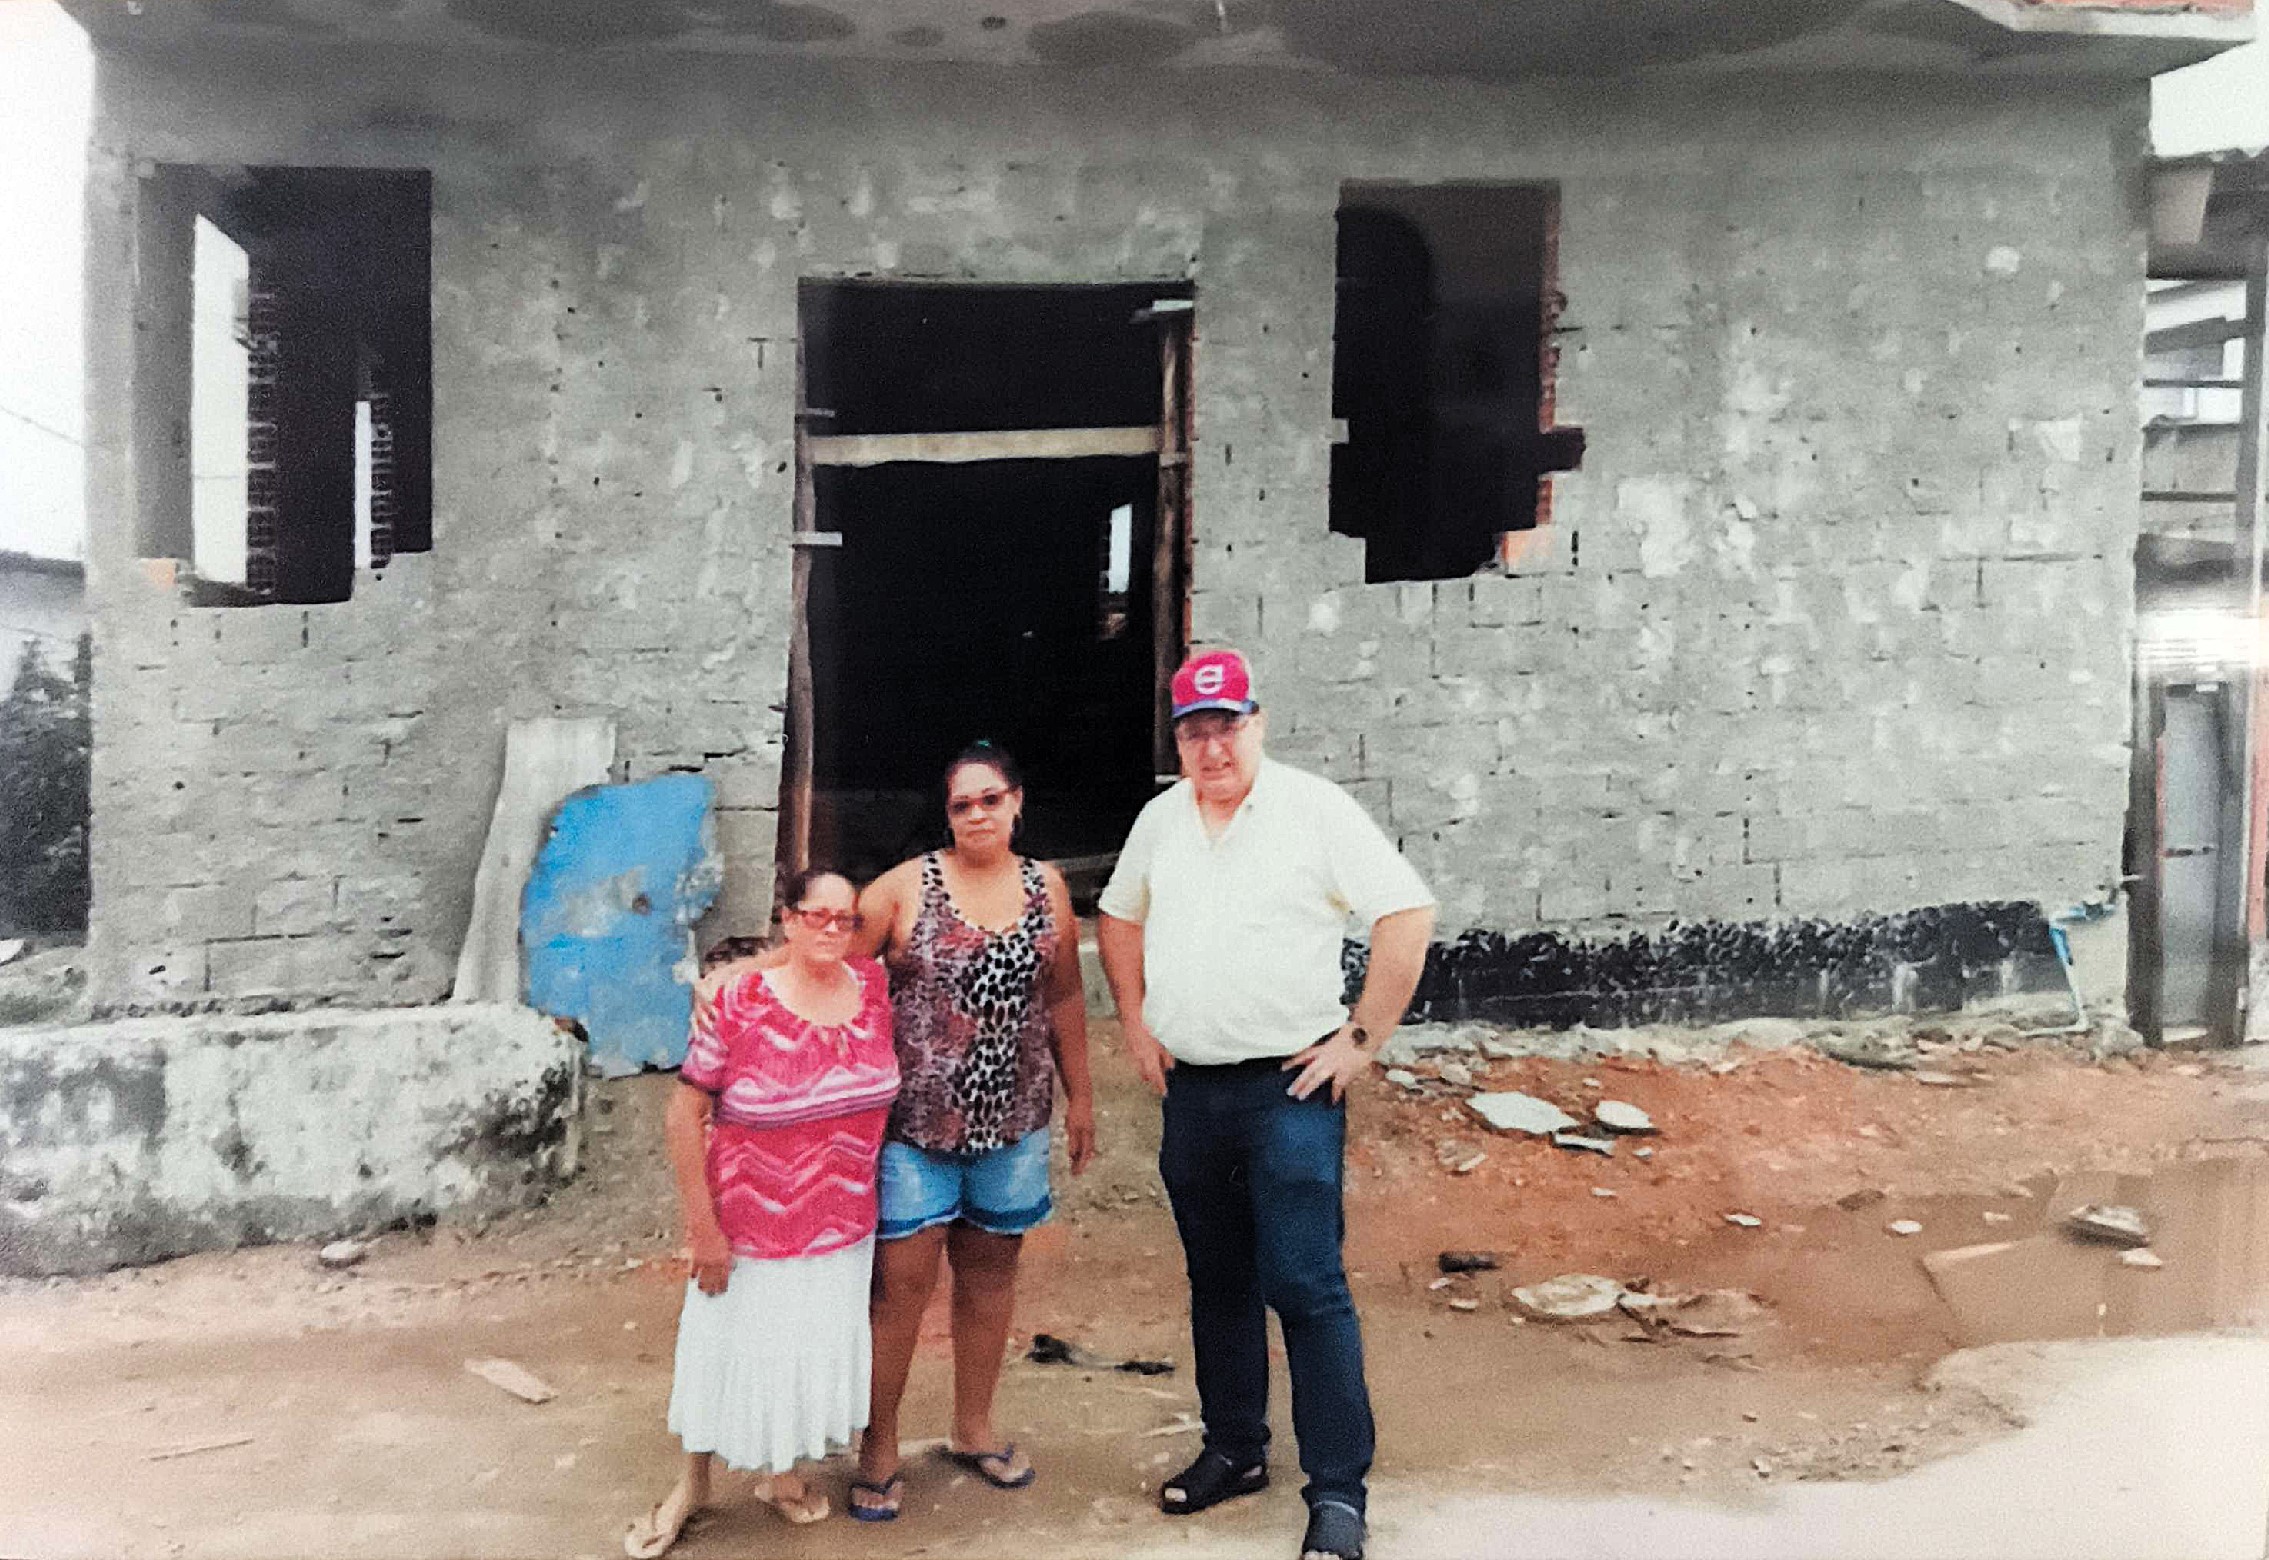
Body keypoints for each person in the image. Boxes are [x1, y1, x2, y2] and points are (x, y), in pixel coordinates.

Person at [699, 740, 1097, 1522]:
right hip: (915, 1130)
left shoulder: (1045, 886)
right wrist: (738, 980)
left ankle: (973, 1427)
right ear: (946, 815)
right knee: (899, 1293)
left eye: (991, 799)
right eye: (961, 804)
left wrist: (1081, 1098)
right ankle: (878, 1448)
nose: (978, 814)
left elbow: (1064, 998)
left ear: (1017, 801)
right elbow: (822, 952)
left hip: (1014, 1125)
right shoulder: (905, 888)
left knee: (989, 1281)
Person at [1096, 649, 1436, 1560]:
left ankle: (1337, 1493)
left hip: (1290, 1086)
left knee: (1305, 1283)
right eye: (1194, 731)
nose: (1212, 748)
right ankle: (1235, 1450)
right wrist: (1133, 1020)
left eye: (1228, 726)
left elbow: (1405, 913)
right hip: (1193, 1089)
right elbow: (1118, 915)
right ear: (1177, 739)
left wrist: (1360, 1040)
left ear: (1259, 724)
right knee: (1219, 1282)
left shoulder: (1312, 809)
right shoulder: (1162, 818)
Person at [625, 868, 899, 1559]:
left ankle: (782, 1476)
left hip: (843, 1221)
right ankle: (691, 1486)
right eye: (816, 916)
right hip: (750, 1224)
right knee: (722, 1349)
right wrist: (701, 1228)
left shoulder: (871, 989)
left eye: (845, 919)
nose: (831, 930)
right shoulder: (740, 1002)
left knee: (803, 1349)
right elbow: (684, 1113)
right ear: (788, 919)